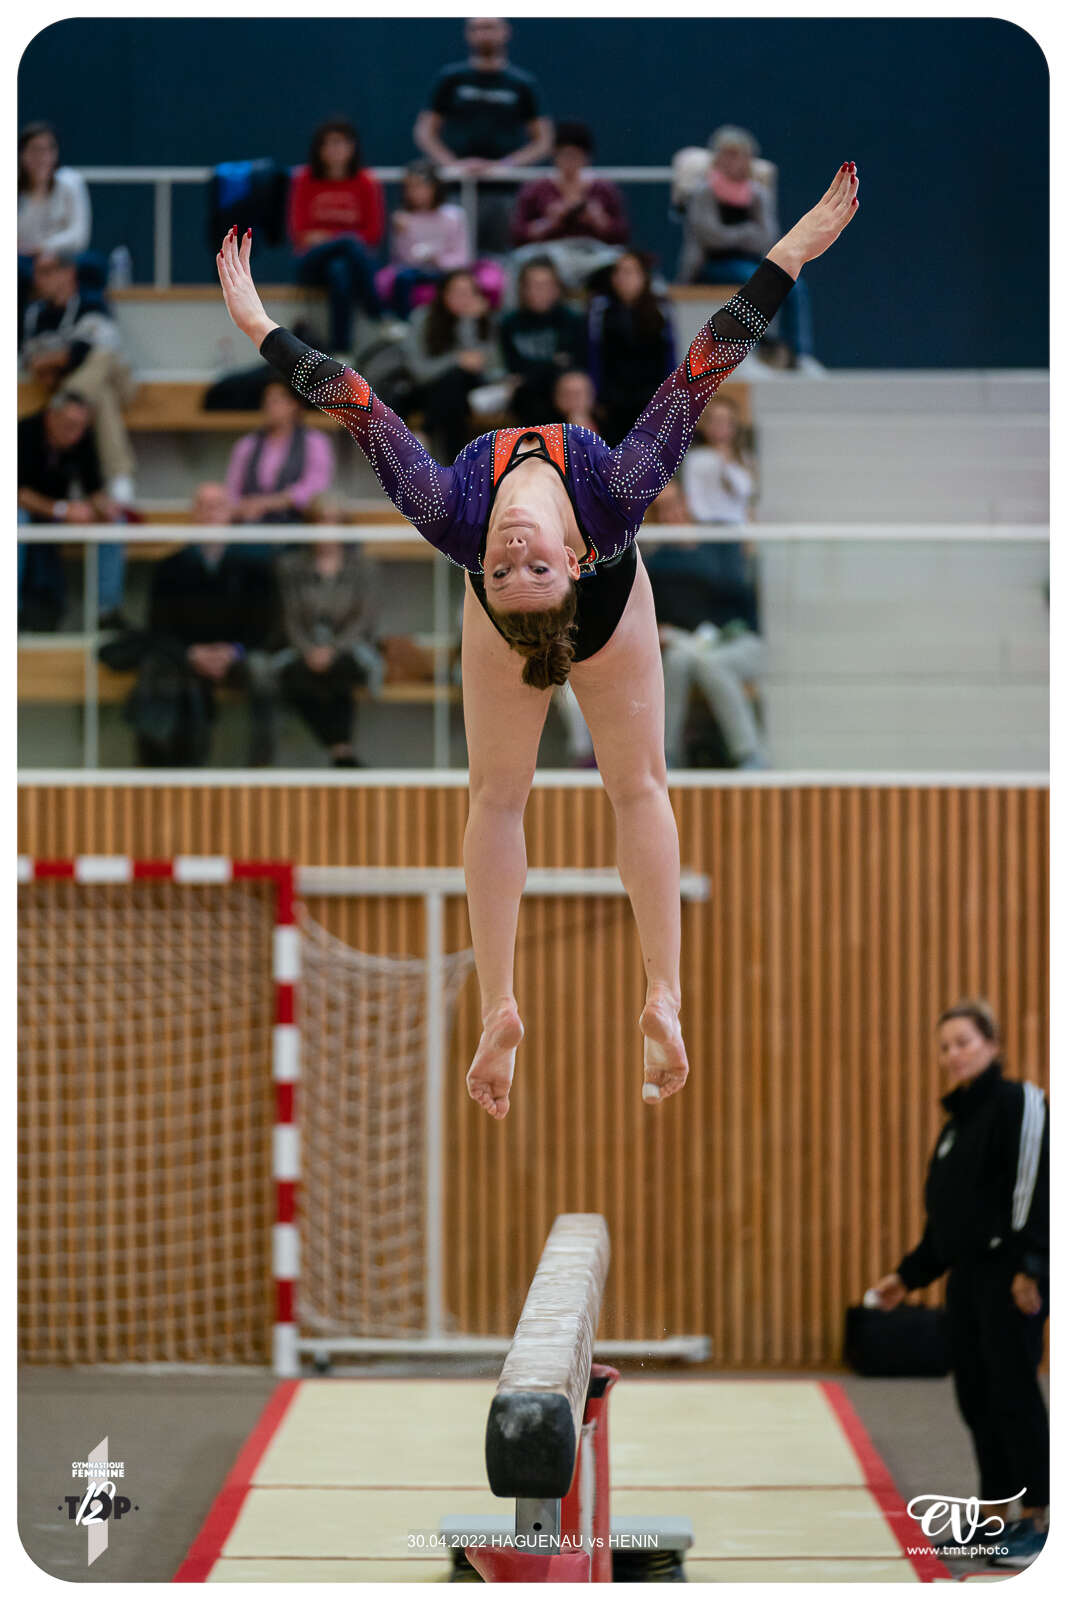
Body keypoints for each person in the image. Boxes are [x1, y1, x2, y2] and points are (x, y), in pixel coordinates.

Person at [218, 160, 860, 1118]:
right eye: (529, 569)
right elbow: (707, 362)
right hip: (580, 616)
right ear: (573, 556)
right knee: (521, 794)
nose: (516, 557)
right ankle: (533, 1003)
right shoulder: (616, 493)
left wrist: (259, 328)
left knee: (618, 785)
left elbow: (355, 402)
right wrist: (791, 253)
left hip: (543, 622)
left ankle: (625, 996)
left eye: (511, 569)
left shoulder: (451, 516)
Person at [870, 1001, 1049, 1570]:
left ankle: (1041, 1519)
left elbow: (1038, 1186)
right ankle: (998, 1514)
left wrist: (1034, 1265)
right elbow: (946, 1223)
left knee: (1014, 1393)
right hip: (967, 1281)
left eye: (964, 1042)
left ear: (993, 1045)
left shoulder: (1020, 1103)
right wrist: (908, 1275)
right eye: (944, 1046)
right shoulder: (956, 1127)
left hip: (1010, 1276)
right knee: (976, 1395)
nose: (952, 1055)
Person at [135, 484, 278, 767]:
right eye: (204, 506)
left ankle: (261, 769)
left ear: (230, 514)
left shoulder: (255, 566)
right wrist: (192, 653)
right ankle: (162, 769)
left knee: (263, 670)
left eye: (218, 506)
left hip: (238, 655)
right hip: (187, 656)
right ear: (193, 514)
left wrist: (233, 651)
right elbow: (159, 627)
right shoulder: (170, 567)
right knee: (157, 669)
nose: (211, 513)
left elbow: (265, 625)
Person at [646, 479, 765, 769]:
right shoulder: (659, 562)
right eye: (663, 510)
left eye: (677, 504)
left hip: (736, 640)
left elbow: (737, 591)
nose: (673, 514)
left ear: (689, 502)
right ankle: (665, 757)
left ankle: (749, 755)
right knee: (676, 660)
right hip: (688, 645)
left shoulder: (721, 541)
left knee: (710, 663)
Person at [678, 125, 818, 372]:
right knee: (753, 281)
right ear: (717, 158)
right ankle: (753, 348)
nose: (733, 161)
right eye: (727, 154)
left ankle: (799, 353)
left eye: (738, 154)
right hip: (712, 265)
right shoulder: (703, 193)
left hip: (753, 262)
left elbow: (767, 236)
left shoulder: (759, 195)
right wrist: (745, 233)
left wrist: (735, 235)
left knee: (795, 286)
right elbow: (711, 236)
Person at [413, 17, 553, 254]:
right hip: (458, 189)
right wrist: (453, 165)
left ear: (505, 32)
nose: (484, 34)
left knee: (500, 262)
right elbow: (424, 131)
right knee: (455, 258)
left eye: (490, 27)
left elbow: (544, 140)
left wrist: (504, 166)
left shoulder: (522, 84)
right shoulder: (451, 79)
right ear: (468, 34)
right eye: (477, 28)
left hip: (504, 192)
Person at [21, 250, 138, 503]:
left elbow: (81, 352)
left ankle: (67, 401)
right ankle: (119, 475)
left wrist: (56, 360)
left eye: (47, 272)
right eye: (37, 273)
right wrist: (57, 360)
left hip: (119, 381)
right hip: (89, 389)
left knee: (102, 355)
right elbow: (30, 359)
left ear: (68, 273)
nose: (39, 279)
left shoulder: (92, 303)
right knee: (99, 397)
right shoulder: (34, 314)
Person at [273, 523, 384, 768]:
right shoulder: (292, 568)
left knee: (340, 671)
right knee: (295, 676)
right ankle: (341, 750)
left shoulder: (362, 568)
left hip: (348, 648)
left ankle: (339, 749)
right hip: (303, 649)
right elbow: (289, 617)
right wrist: (309, 650)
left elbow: (363, 620)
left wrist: (333, 650)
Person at [17, 392, 126, 631]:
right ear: (50, 417)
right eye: (69, 426)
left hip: (58, 514)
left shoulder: (82, 438)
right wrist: (63, 509)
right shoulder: (23, 433)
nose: (75, 434)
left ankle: (106, 611)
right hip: (29, 510)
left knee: (115, 524)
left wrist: (103, 509)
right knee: (16, 520)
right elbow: (17, 493)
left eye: (80, 427)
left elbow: (94, 489)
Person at [288, 118, 385, 357]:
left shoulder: (366, 182)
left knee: (339, 269)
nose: (335, 150)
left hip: (346, 264)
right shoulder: (305, 179)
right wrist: (342, 238)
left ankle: (341, 349)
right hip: (311, 262)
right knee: (350, 242)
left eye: (340, 143)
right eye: (328, 144)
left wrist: (326, 236)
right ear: (319, 150)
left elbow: (373, 234)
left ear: (352, 147)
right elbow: (299, 233)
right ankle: (378, 312)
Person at [511, 120, 629, 291]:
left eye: (576, 156)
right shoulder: (536, 189)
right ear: (555, 155)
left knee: (624, 265)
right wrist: (549, 222)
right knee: (526, 264)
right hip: (549, 253)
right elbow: (517, 235)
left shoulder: (604, 189)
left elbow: (622, 234)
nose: (570, 162)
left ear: (586, 157)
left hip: (593, 254)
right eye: (564, 155)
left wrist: (599, 220)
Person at [401, 269, 503, 462]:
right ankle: (457, 471)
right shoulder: (423, 318)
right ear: (443, 294)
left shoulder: (485, 321)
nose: (463, 299)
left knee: (456, 383)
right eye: (456, 292)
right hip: (429, 391)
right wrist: (456, 360)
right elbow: (419, 372)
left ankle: (424, 434)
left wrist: (469, 322)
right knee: (452, 383)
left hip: (473, 394)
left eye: (469, 293)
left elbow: (491, 371)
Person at [587, 252, 676, 447]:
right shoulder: (600, 309)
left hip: (650, 397)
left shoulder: (661, 307)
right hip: (613, 398)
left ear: (644, 277)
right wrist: (597, 396)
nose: (622, 278)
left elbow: (669, 355)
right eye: (618, 272)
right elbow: (594, 357)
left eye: (630, 272)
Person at [225, 377, 335, 525]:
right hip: (251, 522)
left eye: (276, 401)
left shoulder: (315, 441)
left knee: (328, 512)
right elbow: (232, 490)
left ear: (294, 405)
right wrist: (243, 508)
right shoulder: (247, 444)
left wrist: (270, 503)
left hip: (298, 520)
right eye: (266, 401)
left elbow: (316, 486)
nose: (269, 407)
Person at [18, 122, 93, 326]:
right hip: (24, 259)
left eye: (49, 149)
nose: (43, 156)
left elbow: (79, 236)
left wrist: (46, 248)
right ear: (22, 154)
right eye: (36, 149)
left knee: (94, 269)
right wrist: (38, 190)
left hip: (62, 255)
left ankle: (86, 337)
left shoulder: (71, 182)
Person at [499, 257, 588, 426]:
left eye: (545, 285)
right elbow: (511, 368)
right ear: (522, 289)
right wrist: (553, 363)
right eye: (533, 285)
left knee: (575, 389)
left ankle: (587, 450)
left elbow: (574, 364)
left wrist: (532, 371)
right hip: (527, 397)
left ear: (556, 288)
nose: (538, 291)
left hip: (562, 394)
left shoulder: (571, 320)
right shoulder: (509, 324)